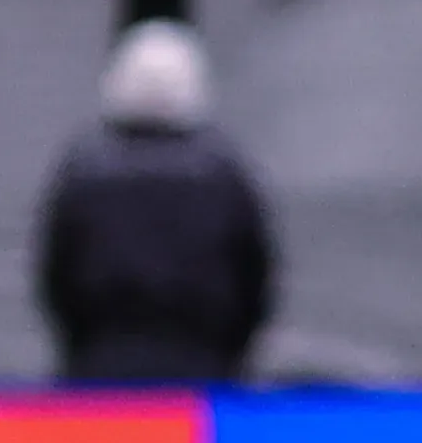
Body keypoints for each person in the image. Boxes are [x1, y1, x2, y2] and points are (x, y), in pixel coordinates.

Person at [35, 20, 274, 384]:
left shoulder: (83, 169)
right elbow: (254, 276)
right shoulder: (224, 173)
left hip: (102, 363)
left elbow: (56, 275)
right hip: (201, 364)